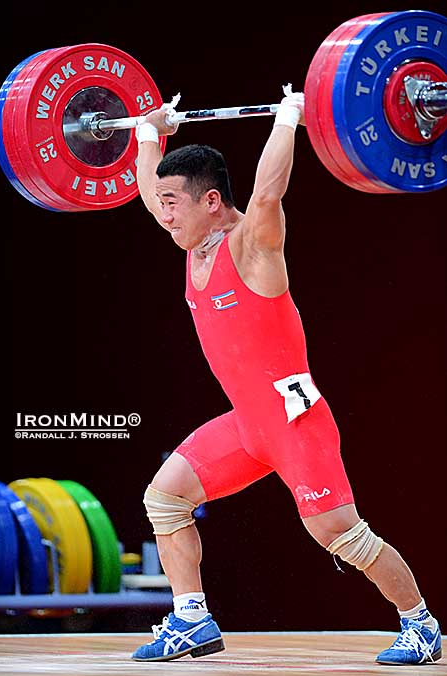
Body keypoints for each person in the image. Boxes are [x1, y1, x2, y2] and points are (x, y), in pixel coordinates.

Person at [130, 88, 442, 665]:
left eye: (173, 201)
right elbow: (153, 192)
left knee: (342, 536)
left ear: (213, 200)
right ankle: (192, 619)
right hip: (249, 425)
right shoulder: (190, 240)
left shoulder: (252, 247)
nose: (162, 210)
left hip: (296, 423)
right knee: (165, 498)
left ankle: (420, 624)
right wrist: (150, 132)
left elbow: (269, 193)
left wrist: (289, 118)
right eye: (163, 202)